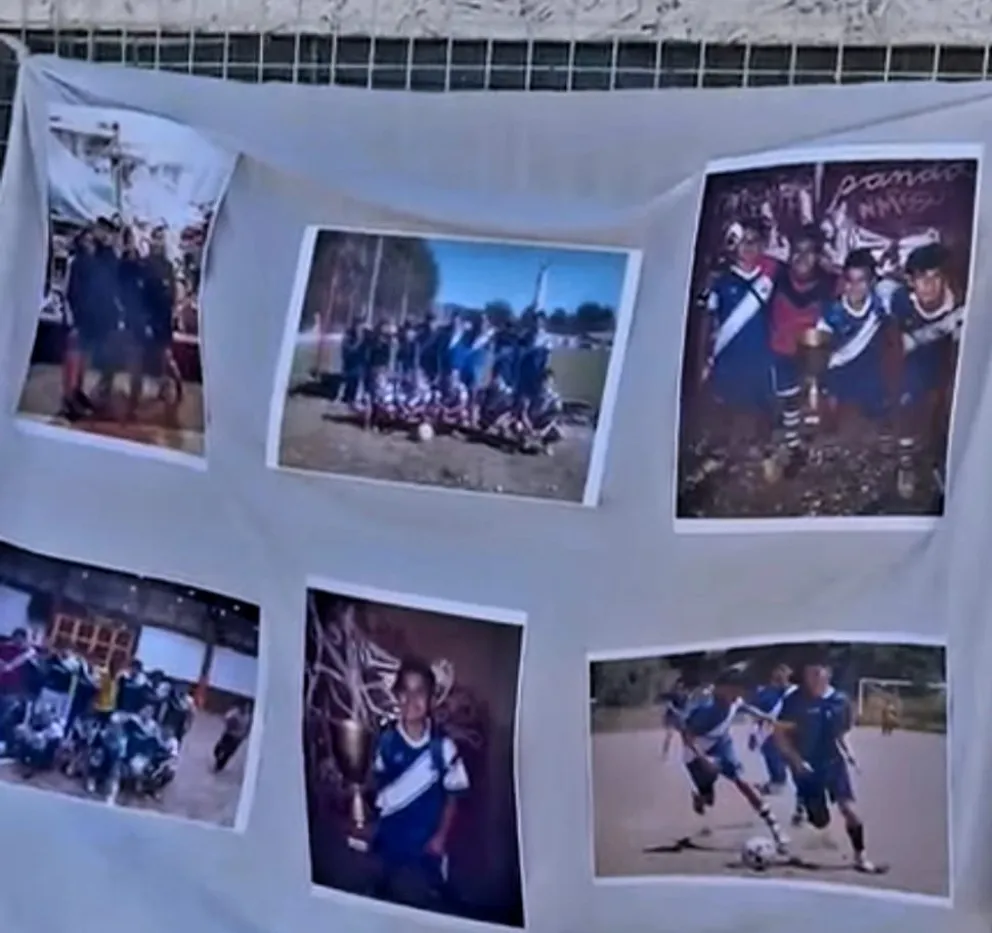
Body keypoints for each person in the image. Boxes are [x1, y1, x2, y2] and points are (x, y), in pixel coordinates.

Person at [371, 658, 469, 910]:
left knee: (435, 900)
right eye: (406, 691)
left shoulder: (444, 749)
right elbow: (379, 783)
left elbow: (453, 798)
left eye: (420, 692)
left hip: (428, 842)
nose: (412, 699)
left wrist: (440, 838)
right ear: (397, 696)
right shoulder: (386, 742)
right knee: (382, 894)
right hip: (392, 838)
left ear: (431, 700)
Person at [774, 659, 881, 874]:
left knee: (849, 810)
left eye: (816, 673)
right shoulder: (794, 701)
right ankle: (806, 807)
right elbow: (779, 735)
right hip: (806, 769)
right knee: (821, 821)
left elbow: (840, 734)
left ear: (827, 674)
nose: (811, 679)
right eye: (808, 674)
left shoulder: (840, 701)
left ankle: (861, 858)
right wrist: (796, 760)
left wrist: (850, 755)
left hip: (833, 764)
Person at [678, 668, 789, 853]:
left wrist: (765, 717)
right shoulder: (705, 705)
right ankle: (699, 796)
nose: (738, 695)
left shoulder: (734, 699)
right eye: (735, 691)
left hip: (722, 744)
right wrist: (703, 758)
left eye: (740, 692)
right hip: (696, 753)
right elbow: (687, 734)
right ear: (723, 688)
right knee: (708, 800)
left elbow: (744, 706)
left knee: (742, 781)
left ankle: (776, 829)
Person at [888, 242, 964, 499]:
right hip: (913, 363)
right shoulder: (900, 301)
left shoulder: (959, 301)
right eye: (922, 279)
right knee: (906, 399)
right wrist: (941, 328)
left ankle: (942, 462)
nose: (930, 286)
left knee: (951, 405)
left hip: (945, 362)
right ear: (911, 281)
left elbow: (960, 348)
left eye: (935, 277)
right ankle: (906, 463)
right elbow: (900, 347)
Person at [768, 224, 835, 472]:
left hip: (816, 355)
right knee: (789, 401)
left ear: (818, 256)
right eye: (797, 251)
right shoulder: (777, 276)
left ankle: (815, 447)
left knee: (817, 400)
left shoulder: (830, 283)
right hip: (782, 353)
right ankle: (793, 447)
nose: (802, 257)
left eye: (809, 252)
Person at [703, 218, 775, 418]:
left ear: (762, 246)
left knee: (755, 423)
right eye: (743, 241)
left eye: (754, 241)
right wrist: (704, 359)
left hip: (759, 365)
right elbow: (707, 322)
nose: (749, 247)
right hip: (728, 363)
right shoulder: (720, 282)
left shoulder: (771, 281)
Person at [818, 248, 891, 423]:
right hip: (839, 376)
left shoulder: (881, 305)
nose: (854, 287)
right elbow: (820, 354)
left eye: (861, 281)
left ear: (872, 282)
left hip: (871, 377)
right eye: (849, 280)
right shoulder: (831, 313)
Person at [214, 702, 251, 772]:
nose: (245, 709)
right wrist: (230, 722)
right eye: (244, 707)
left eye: (247, 707)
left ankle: (219, 766)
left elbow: (249, 728)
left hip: (238, 738)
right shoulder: (235, 712)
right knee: (218, 749)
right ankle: (218, 758)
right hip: (229, 734)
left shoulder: (248, 717)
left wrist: (245, 735)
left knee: (228, 753)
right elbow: (226, 718)